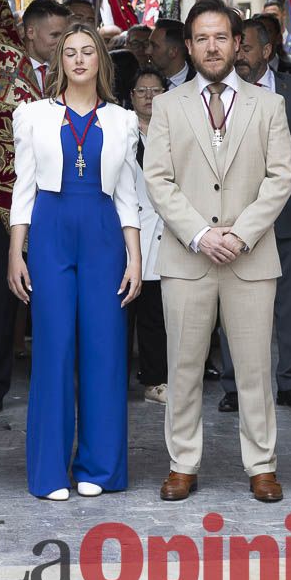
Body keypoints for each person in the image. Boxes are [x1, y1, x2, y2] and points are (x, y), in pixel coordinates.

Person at [143, 0, 291, 503]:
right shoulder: (167, 105)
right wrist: (200, 235)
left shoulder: (268, 105)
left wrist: (240, 233)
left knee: (254, 368)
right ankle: (182, 462)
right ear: (188, 46)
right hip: (188, 258)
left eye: (222, 37)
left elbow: (281, 178)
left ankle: (262, 464)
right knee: (183, 369)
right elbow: (158, 180)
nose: (213, 46)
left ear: (238, 44)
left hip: (249, 257)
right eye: (202, 38)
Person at [8, 22, 141, 500]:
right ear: (58, 61)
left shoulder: (123, 120)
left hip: (104, 234)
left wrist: (136, 257)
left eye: (88, 51)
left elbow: (129, 195)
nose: (79, 59)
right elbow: (22, 189)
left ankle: (99, 469)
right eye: (70, 52)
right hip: (50, 234)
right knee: (54, 349)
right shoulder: (33, 115)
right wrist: (14, 252)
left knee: (105, 352)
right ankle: (48, 473)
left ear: (101, 60)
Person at [219, 20, 291, 413]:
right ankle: (234, 387)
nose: (238, 55)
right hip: (235, 218)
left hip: (290, 216)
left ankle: (290, 383)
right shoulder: (222, 93)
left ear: (266, 52)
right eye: (236, 47)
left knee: (289, 305)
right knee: (233, 303)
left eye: (244, 47)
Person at [0, 0, 70, 418]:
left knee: (55, 295)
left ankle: (57, 385)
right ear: (30, 33)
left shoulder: (75, 68)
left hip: (60, 200)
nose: (62, 43)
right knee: (2, 297)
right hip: (7, 200)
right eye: (54, 36)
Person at [128, 68, 168, 404]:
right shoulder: (121, 130)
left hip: (162, 233)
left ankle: (156, 380)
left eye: (155, 89)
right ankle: (115, 380)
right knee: (121, 311)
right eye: (142, 90)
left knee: (155, 313)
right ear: (131, 96)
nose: (149, 96)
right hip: (127, 231)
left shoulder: (174, 130)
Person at [146, 18, 193, 90]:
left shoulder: (200, 85)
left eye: (154, 46)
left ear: (173, 51)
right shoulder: (143, 81)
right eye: (148, 44)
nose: (147, 51)